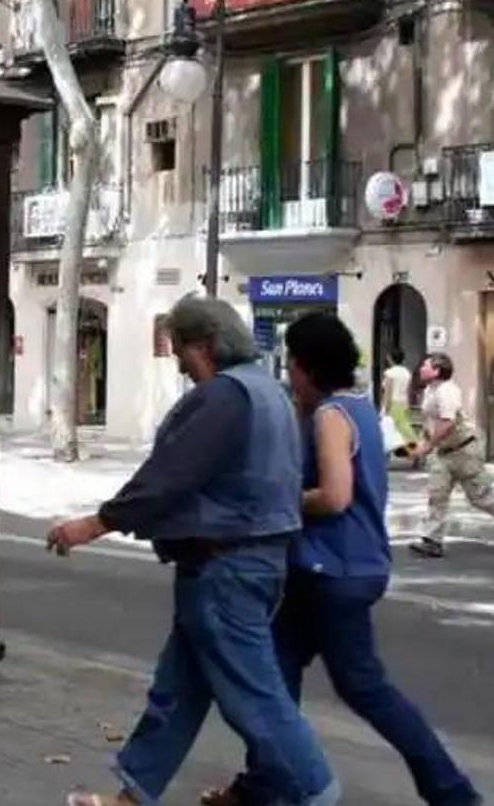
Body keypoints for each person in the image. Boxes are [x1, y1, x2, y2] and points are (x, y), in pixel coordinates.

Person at [47, 296, 339, 806]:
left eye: (180, 349)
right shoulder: (269, 393)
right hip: (250, 562)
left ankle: (316, 790)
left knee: (255, 696)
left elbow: (168, 479)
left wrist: (93, 525)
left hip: (224, 568)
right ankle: (132, 798)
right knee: (177, 693)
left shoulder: (222, 398)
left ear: (203, 345)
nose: (179, 362)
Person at [201, 313, 481, 806]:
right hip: (345, 567)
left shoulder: (331, 415)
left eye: (291, 366)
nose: (289, 376)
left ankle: (453, 793)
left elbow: (334, 496)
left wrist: (277, 500)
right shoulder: (357, 408)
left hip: (329, 570)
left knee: (362, 687)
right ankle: (266, 783)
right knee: (275, 677)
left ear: (307, 367)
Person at [409, 353, 494, 558]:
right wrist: (422, 442)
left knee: (479, 496)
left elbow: (447, 423)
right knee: (437, 494)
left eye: (425, 365)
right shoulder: (429, 391)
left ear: (437, 370)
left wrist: (426, 446)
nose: (421, 369)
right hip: (443, 453)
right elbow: (431, 422)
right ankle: (432, 540)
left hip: (464, 450)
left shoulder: (448, 391)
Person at [381, 348, 418, 456]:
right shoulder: (406, 373)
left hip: (393, 403)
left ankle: (387, 454)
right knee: (405, 429)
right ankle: (416, 450)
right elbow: (408, 391)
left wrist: (385, 408)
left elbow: (388, 392)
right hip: (403, 402)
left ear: (390, 358)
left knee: (388, 430)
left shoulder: (390, 373)